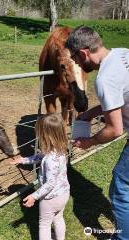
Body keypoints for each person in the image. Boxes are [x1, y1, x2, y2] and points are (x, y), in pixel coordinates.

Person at [65, 25, 129, 240]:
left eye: (74, 58)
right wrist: (90, 113)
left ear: (83, 53)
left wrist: (89, 142)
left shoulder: (104, 78)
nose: (75, 63)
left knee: (121, 188)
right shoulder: (122, 53)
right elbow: (121, 96)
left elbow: (114, 129)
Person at [11, 113, 70, 240]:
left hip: (50, 198)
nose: (37, 135)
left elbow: (50, 184)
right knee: (58, 218)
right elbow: (39, 157)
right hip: (63, 193)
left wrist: (34, 196)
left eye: (38, 133)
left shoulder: (50, 160)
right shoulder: (60, 150)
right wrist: (23, 160)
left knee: (44, 224)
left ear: (45, 135)